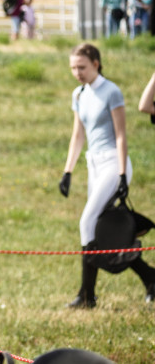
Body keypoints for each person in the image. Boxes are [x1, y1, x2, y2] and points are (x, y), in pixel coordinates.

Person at [58, 43, 155, 309]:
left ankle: (87, 296)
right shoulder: (78, 94)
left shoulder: (111, 91)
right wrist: (68, 170)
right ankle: (150, 277)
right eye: (73, 68)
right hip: (94, 164)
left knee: (87, 222)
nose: (77, 72)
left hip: (114, 162)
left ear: (96, 64)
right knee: (99, 230)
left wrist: (123, 174)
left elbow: (122, 134)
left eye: (82, 67)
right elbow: (78, 136)